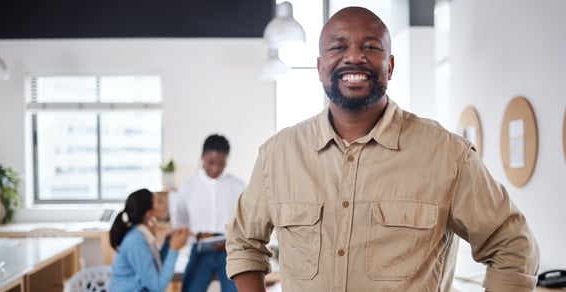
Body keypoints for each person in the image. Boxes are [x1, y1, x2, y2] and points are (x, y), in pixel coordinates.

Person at [225, 6, 539, 292]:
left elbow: (512, 245)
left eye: (370, 47)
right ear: (320, 68)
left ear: (389, 66)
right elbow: (243, 241)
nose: (353, 57)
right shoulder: (278, 155)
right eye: (338, 46)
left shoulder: (446, 154)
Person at [173, 134, 245, 292]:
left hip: (229, 252)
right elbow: (180, 224)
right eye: (210, 163)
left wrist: (231, 239)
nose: (215, 168)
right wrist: (197, 236)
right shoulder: (189, 187)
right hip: (200, 251)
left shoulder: (238, 186)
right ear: (202, 157)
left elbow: (246, 223)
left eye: (221, 164)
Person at [110, 188, 191, 292]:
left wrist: (167, 244)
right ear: (149, 213)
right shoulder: (136, 241)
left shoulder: (141, 234)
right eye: (159, 202)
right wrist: (173, 249)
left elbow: (153, 267)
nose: (164, 203)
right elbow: (157, 287)